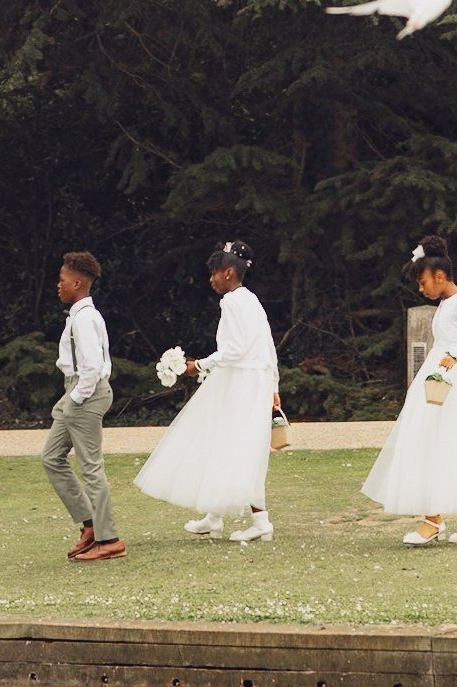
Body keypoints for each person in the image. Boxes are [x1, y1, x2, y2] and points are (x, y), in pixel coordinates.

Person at [136, 240, 280, 545]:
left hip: (238, 382)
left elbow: (234, 350)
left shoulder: (231, 302)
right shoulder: (251, 300)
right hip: (253, 380)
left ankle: (260, 521)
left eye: (214, 272)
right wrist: (273, 385)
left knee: (231, 443)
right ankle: (214, 517)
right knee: (227, 442)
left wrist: (197, 365)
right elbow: (268, 348)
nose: (211, 279)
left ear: (228, 272)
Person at [361, 235, 457, 545]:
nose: (421, 289)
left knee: (440, 443)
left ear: (439, 276)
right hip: (443, 377)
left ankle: (433, 521)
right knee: (438, 443)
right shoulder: (447, 304)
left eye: (423, 282)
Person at [43, 250, 125, 560]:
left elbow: (92, 367)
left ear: (77, 282)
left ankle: (110, 540)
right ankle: (90, 524)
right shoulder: (80, 315)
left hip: (85, 394)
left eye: (62, 280)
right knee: (52, 458)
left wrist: (75, 399)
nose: (58, 285)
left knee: (91, 468)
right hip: (77, 392)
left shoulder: (86, 318)